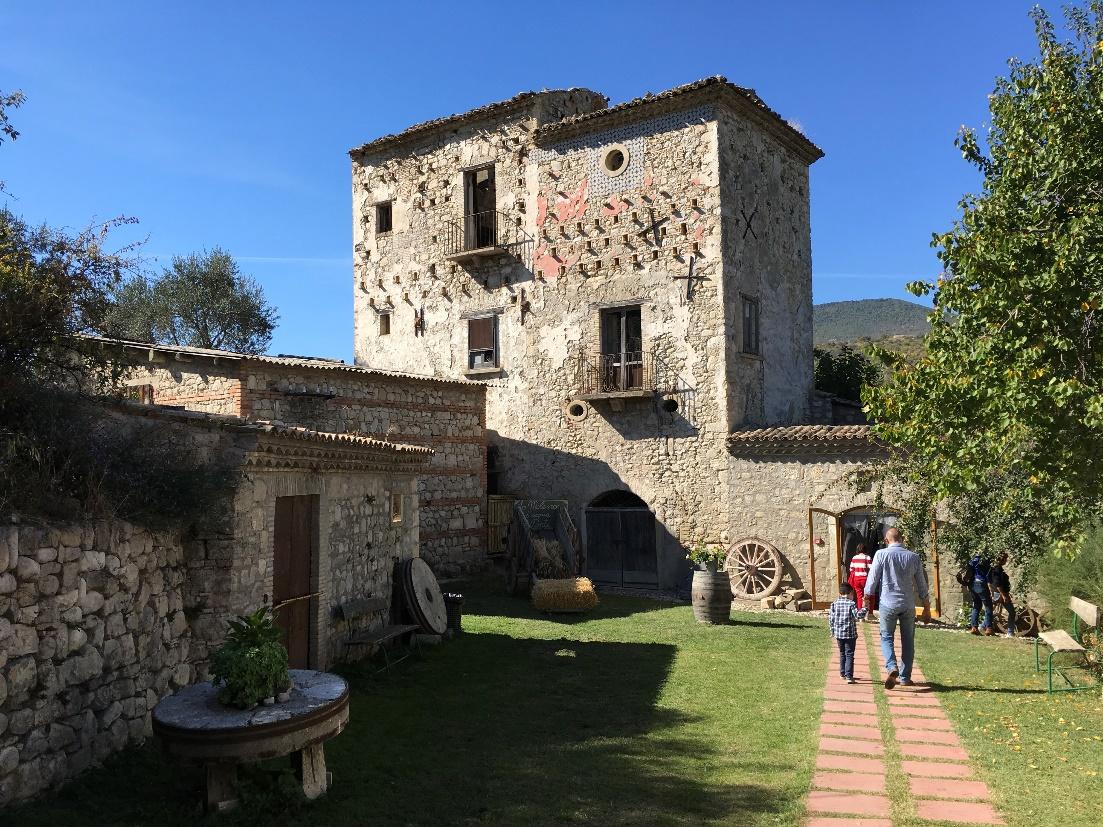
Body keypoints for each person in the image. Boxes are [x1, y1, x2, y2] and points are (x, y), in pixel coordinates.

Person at [863, 527, 931, 689]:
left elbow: (872, 581)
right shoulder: (914, 557)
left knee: (886, 637)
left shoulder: (881, 554)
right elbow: (922, 585)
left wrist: (867, 599)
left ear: (887, 540)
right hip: (907, 604)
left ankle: (892, 667)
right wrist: (927, 607)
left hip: (887, 603)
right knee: (908, 641)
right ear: (902, 539)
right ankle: (905, 677)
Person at [829, 581, 860, 684]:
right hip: (850, 634)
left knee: (842, 653)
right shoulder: (851, 604)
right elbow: (857, 616)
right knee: (849, 654)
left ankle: (842, 673)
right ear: (850, 593)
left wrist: (832, 631)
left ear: (840, 593)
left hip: (838, 634)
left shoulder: (834, 603)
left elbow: (831, 619)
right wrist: (865, 608)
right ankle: (849, 676)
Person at [961, 555, 994, 635]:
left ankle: (974, 627)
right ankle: (989, 628)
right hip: (982, 582)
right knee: (988, 606)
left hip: (972, 584)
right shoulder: (986, 559)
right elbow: (988, 574)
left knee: (976, 605)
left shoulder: (972, 560)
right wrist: (991, 587)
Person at [988, 552, 1015, 637]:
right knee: (1012, 612)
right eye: (1005, 559)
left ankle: (983, 626)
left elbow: (990, 582)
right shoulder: (997, 569)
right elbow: (997, 584)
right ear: (1001, 559)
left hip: (998, 593)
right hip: (999, 594)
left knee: (990, 610)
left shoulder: (994, 568)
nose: (1006, 561)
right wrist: (1003, 595)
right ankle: (1010, 632)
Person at [847, 542, 873, 616]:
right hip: (865, 579)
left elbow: (851, 569)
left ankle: (860, 613)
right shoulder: (867, 557)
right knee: (867, 596)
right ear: (865, 549)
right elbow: (871, 569)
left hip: (856, 579)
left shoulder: (854, 558)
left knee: (859, 596)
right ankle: (868, 614)